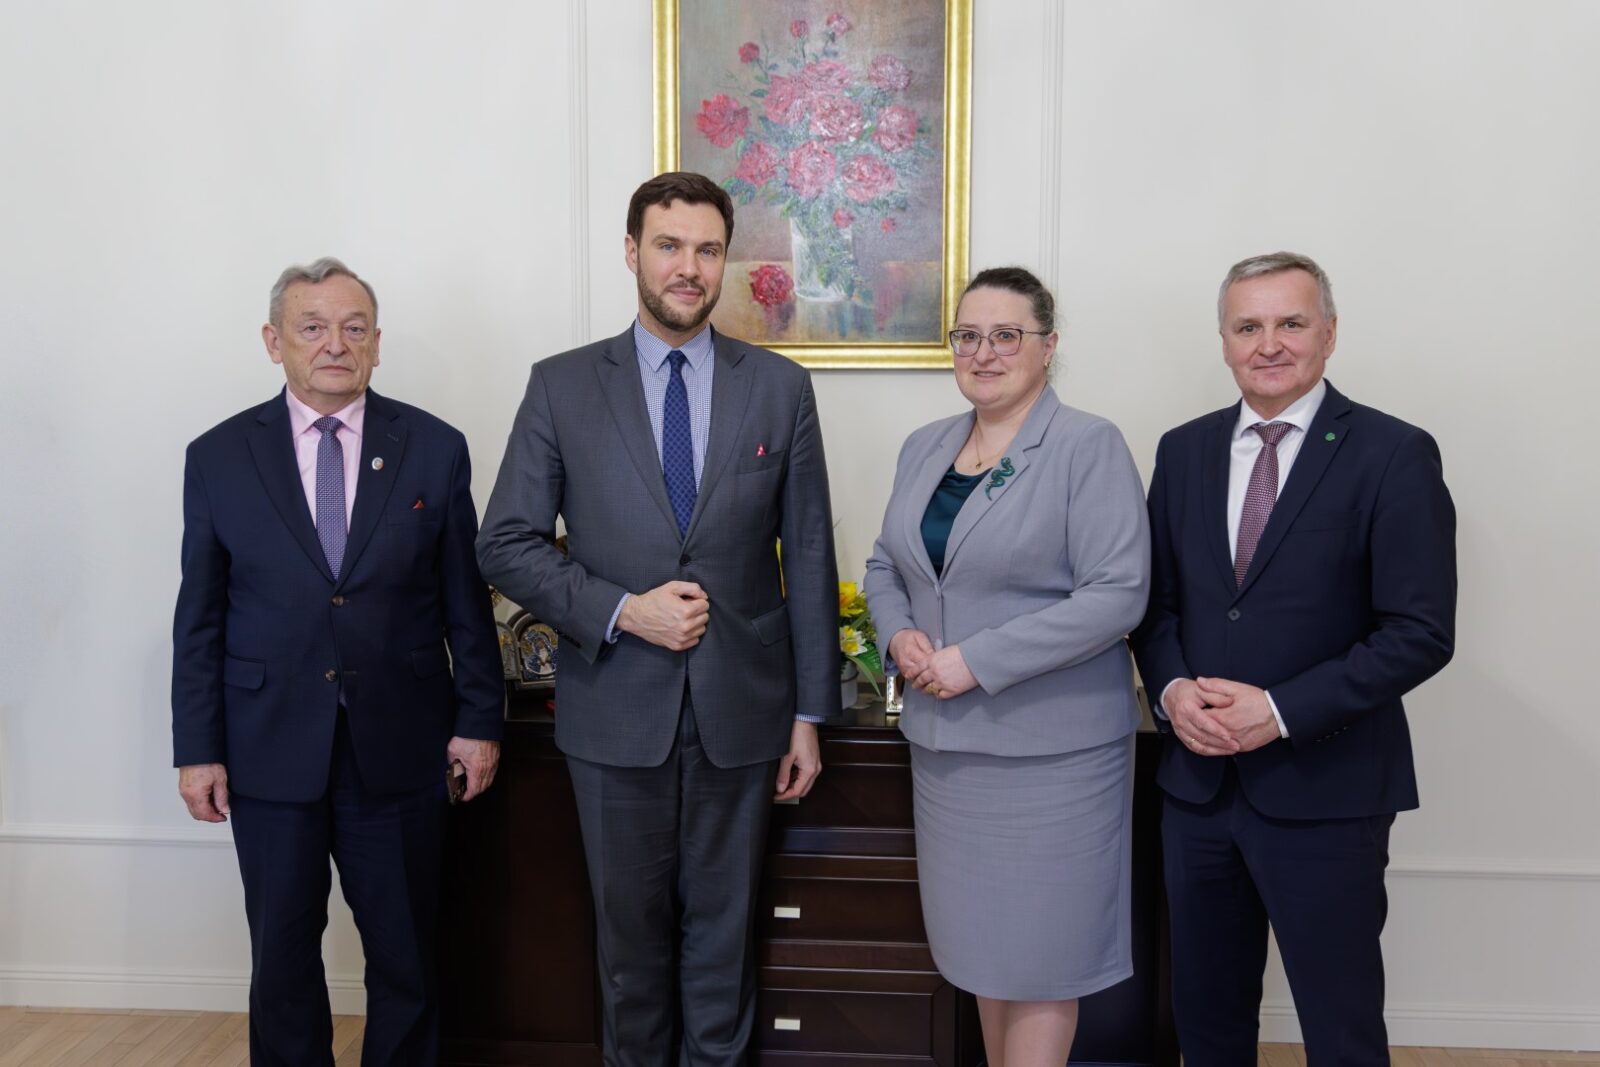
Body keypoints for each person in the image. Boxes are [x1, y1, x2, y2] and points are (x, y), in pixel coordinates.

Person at [476, 171, 838, 1067]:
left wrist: (809, 714)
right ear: (633, 252)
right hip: (613, 713)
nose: (689, 267)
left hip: (744, 718)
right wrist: (622, 610)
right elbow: (505, 543)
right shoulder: (561, 386)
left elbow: (810, 555)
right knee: (628, 959)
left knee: (724, 950)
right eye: (670, 246)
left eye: (708, 250)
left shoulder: (780, 388)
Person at [171, 257, 505, 1065]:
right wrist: (197, 749)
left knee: (406, 956)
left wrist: (480, 722)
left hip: (400, 747)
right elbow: (200, 617)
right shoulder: (218, 455)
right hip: (268, 747)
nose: (335, 344)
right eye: (313, 327)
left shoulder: (433, 447)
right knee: (282, 961)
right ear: (273, 341)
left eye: (355, 328)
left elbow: (465, 601)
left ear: (377, 344)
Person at [1131, 251, 1456, 1065]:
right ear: (1224, 340)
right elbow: (1155, 606)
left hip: (1329, 789)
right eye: (1248, 326)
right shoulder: (1184, 451)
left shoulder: (1393, 452)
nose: (1268, 343)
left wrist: (1278, 711)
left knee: (1340, 1028)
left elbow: (1419, 630)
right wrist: (1171, 690)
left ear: (1330, 333)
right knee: (1207, 1022)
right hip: (1198, 789)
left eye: (1291, 322)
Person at [863, 267, 1151, 1067]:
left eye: (1006, 335)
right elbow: (885, 565)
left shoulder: (1087, 445)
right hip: (949, 758)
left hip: (1052, 761)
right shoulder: (925, 446)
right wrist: (898, 635)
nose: (983, 352)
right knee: (987, 958)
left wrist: (975, 660)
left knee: (1042, 960)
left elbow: (1117, 594)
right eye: (968, 335)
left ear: (1047, 347)